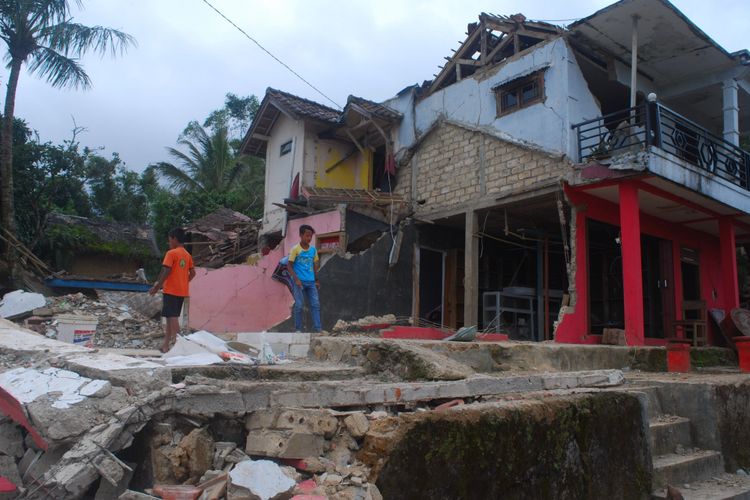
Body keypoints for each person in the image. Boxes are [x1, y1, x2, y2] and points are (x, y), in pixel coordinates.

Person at [149, 227, 195, 352]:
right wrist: (184, 282)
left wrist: (157, 286)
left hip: (171, 290)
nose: (169, 242)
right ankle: (165, 346)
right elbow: (193, 273)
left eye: (169, 240)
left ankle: (180, 343)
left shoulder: (172, 253)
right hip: (181, 291)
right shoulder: (187, 255)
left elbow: (166, 270)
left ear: (174, 239)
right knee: (170, 317)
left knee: (172, 316)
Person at [287, 224, 321, 332]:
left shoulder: (313, 250)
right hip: (299, 282)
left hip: (311, 282)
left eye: (311, 236)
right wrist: (296, 279)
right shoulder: (295, 249)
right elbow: (289, 265)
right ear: (301, 235)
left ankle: (318, 329)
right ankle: (298, 329)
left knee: (315, 304)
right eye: (307, 236)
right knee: (299, 305)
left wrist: (316, 280)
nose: (309, 238)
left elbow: (315, 265)